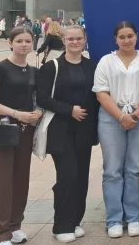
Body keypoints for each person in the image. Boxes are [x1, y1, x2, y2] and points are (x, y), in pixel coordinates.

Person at [93, 21, 139, 238]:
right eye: (122, 37)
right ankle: (114, 218)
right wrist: (121, 116)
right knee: (112, 169)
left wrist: (135, 116)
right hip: (111, 116)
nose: (126, 40)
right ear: (116, 39)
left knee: (134, 168)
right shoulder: (106, 61)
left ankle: (133, 216)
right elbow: (101, 93)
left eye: (130, 36)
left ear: (136, 36)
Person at [36, 25, 99, 243]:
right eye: (70, 39)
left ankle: (75, 221)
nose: (74, 42)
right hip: (60, 131)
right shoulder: (51, 67)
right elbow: (42, 98)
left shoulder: (91, 66)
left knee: (81, 177)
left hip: (84, 131)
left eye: (78, 39)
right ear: (63, 40)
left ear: (84, 40)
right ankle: (61, 224)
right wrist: (68, 109)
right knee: (67, 176)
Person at [0, 27, 43, 245]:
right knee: (1, 181)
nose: (24, 45)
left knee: (20, 180)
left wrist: (39, 111)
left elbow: (37, 98)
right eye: (19, 41)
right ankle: (0, 233)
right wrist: (17, 113)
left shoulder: (34, 71)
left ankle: (14, 225)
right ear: (10, 43)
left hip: (27, 129)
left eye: (28, 41)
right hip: (5, 128)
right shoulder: (0, 68)